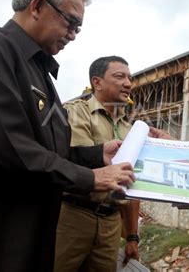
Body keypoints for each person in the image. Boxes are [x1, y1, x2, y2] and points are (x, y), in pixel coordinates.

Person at [0, 0, 134, 272]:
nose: (73, 35)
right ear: (37, 6)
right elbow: (4, 146)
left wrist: (96, 155)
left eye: (79, 28)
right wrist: (91, 178)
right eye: (70, 22)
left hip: (27, 234)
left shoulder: (41, 74)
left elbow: (50, 153)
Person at [55, 56, 140, 272]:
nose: (128, 84)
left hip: (111, 223)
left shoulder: (130, 129)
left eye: (130, 78)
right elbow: (77, 164)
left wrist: (132, 236)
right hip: (74, 217)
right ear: (97, 82)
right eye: (119, 77)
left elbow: (132, 185)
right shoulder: (76, 112)